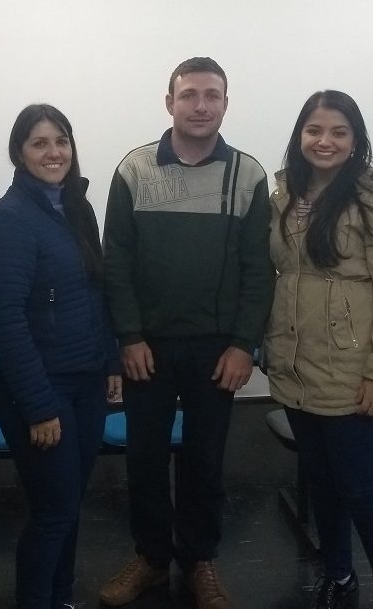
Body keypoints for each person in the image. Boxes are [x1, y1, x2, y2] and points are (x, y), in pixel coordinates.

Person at [100, 57, 275, 609]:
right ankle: (152, 559)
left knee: (206, 461)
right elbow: (115, 261)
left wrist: (244, 345)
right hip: (147, 348)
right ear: (169, 102)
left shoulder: (248, 175)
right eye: (190, 95)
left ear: (225, 103)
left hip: (218, 350)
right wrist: (128, 336)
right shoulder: (134, 169)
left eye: (212, 95)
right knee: (144, 460)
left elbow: (259, 270)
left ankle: (200, 559)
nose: (201, 106)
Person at [265, 90, 373, 609]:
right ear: (299, 136)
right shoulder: (285, 195)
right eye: (314, 130)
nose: (324, 141)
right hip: (296, 366)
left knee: (364, 490)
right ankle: (339, 573)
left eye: (338, 132)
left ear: (356, 140)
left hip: (354, 374)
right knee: (322, 483)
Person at [0, 104, 122, 609]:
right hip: (41, 391)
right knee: (53, 512)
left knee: (69, 505)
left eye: (61, 140)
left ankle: (61, 598)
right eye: (39, 143)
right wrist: (39, 406)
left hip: (86, 382)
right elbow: (5, 322)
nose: (53, 152)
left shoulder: (76, 207)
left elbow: (96, 291)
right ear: (19, 152)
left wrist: (110, 360)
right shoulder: (7, 220)